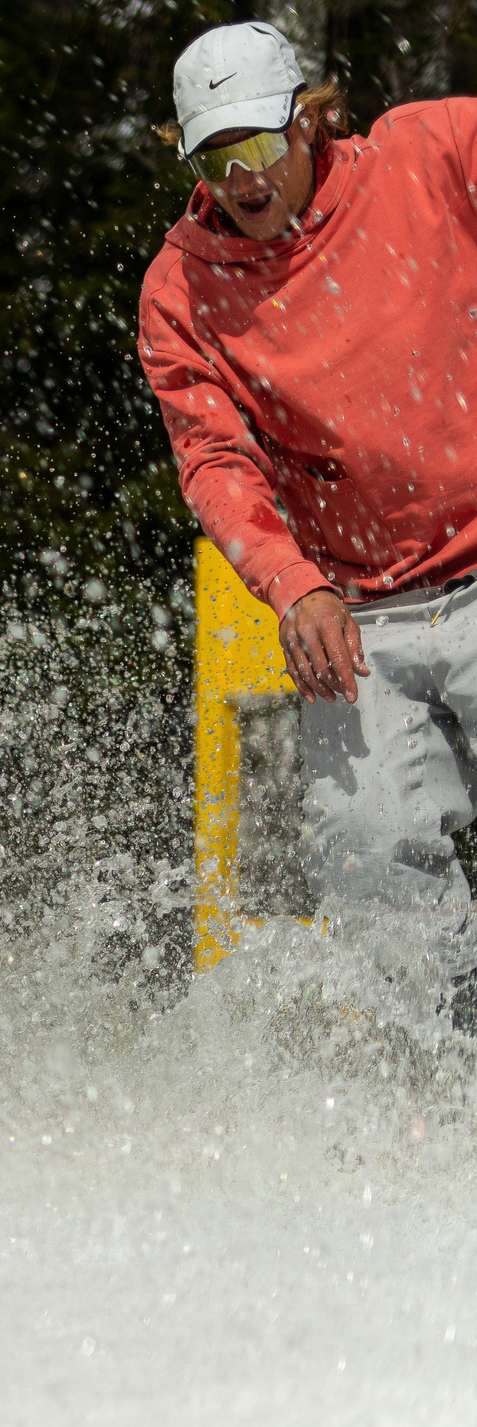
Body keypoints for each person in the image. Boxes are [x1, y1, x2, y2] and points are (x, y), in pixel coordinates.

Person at [140, 22, 477, 1015]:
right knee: (367, 858)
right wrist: (295, 588)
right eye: (213, 157)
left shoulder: (426, 155)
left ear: (310, 120)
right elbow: (214, 461)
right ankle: (448, 1072)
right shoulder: (180, 290)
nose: (241, 179)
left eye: (256, 146)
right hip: (358, 609)